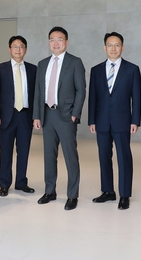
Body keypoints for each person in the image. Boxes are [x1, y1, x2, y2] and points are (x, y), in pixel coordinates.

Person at [33, 26, 86, 211]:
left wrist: (74, 114)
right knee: (49, 156)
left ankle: (72, 195)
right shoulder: (42, 64)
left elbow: (81, 90)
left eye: (59, 39)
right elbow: (38, 92)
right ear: (49, 42)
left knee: (70, 156)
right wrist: (37, 116)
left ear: (66, 42)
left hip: (66, 116)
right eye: (52, 40)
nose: (56, 43)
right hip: (47, 115)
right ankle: (50, 191)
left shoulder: (75, 62)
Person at [88, 32, 141, 210]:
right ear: (104, 48)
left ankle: (124, 194)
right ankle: (108, 191)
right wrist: (91, 120)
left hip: (123, 121)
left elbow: (136, 98)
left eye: (117, 45)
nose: (113, 48)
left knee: (124, 157)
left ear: (122, 47)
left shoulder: (132, 69)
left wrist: (135, 120)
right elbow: (93, 97)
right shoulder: (96, 70)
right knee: (104, 156)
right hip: (101, 121)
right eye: (110, 45)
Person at [0, 36, 37, 197]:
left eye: (21, 46)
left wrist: (36, 116)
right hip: (6, 117)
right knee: (5, 152)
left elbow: (36, 95)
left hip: (25, 116)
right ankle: (4, 184)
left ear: (26, 49)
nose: (18, 49)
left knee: (23, 151)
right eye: (15, 46)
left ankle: (21, 182)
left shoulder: (33, 69)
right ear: (9, 49)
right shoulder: (0, 69)